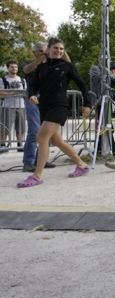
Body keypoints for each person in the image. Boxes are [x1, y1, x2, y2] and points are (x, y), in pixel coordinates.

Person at [16, 38, 92, 188]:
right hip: (44, 106)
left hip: (60, 105)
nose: (59, 51)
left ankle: (37, 175)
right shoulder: (41, 67)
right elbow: (33, 84)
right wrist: (31, 94)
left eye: (61, 49)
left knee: (42, 137)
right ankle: (82, 165)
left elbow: (82, 84)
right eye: (56, 48)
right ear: (48, 50)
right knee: (56, 140)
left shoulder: (67, 66)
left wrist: (87, 103)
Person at [20, 42, 56, 172]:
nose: (43, 54)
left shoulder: (50, 65)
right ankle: (28, 162)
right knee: (34, 130)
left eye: (45, 51)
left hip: (47, 100)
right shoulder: (27, 63)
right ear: (34, 52)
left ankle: (41, 159)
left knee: (46, 132)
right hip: (33, 98)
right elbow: (26, 70)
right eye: (40, 51)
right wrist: (38, 61)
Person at [89, 54, 115, 155]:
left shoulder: (110, 71)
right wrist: (106, 71)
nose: (105, 61)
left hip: (108, 101)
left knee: (108, 125)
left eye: (107, 59)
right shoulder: (95, 68)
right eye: (103, 59)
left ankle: (110, 147)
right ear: (99, 59)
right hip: (99, 100)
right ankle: (99, 148)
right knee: (101, 125)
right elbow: (96, 79)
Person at [0, 60, 27, 151]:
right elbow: (1, 93)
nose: (14, 68)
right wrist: (14, 93)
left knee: (21, 126)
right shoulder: (3, 79)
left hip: (21, 106)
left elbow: (26, 92)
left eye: (15, 67)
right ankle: (3, 144)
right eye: (12, 67)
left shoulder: (22, 80)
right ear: (8, 68)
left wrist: (13, 93)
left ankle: (20, 144)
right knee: (5, 126)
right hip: (7, 106)